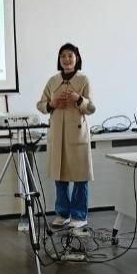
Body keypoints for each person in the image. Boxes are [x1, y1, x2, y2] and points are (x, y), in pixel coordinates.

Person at [36, 43, 96, 229]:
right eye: (63, 56)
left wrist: (79, 99)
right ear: (59, 59)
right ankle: (62, 214)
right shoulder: (53, 81)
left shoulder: (83, 80)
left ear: (77, 58)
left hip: (77, 135)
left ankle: (79, 215)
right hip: (57, 135)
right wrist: (51, 104)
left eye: (70, 55)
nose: (66, 59)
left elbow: (91, 108)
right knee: (59, 176)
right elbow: (40, 104)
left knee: (80, 176)